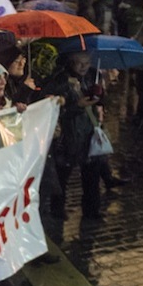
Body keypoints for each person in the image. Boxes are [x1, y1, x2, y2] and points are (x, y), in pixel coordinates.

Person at [42, 52, 102, 220]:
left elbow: (99, 100)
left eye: (87, 62)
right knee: (62, 176)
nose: (84, 66)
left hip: (88, 133)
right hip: (68, 136)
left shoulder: (93, 76)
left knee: (91, 176)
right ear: (71, 62)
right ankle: (57, 210)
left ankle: (92, 211)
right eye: (79, 63)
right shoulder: (59, 81)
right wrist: (77, 105)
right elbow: (55, 110)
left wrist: (100, 99)